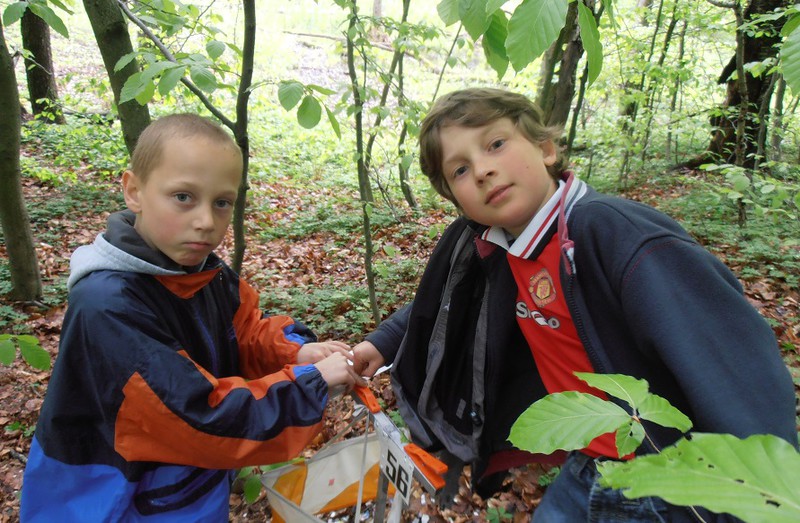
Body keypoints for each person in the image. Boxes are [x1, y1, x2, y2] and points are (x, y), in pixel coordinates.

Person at [353, 88, 797, 521]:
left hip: (670, 478)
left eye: (496, 144)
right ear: (455, 200)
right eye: (461, 170)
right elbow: (449, 304)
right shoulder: (502, 247)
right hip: (589, 462)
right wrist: (386, 341)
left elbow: (738, 366)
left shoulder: (613, 237)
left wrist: (758, 497)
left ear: (546, 148)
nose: (484, 170)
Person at [21, 114, 365, 522]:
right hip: (110, 502)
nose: (206, 221)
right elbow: (200, 416)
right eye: (183, 197)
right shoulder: (107, 306)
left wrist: (296, 352)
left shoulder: (203, 274)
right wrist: (312, 383)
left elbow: (243, 332)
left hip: (186, 491)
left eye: (222, 202)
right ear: (134, 191)